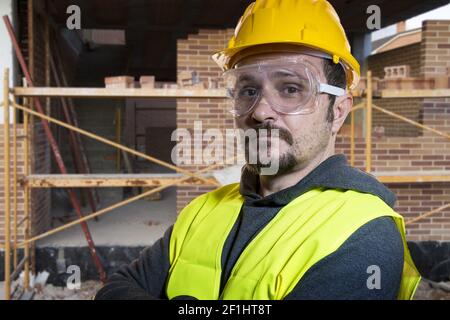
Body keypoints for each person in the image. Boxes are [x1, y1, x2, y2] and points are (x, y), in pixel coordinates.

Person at [95, 0, 421, 300]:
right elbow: (116, 289)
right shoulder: (203, 210)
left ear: (337, 111)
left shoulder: (363, 235)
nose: (260, 111)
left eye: (291, 89)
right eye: (248, 89)